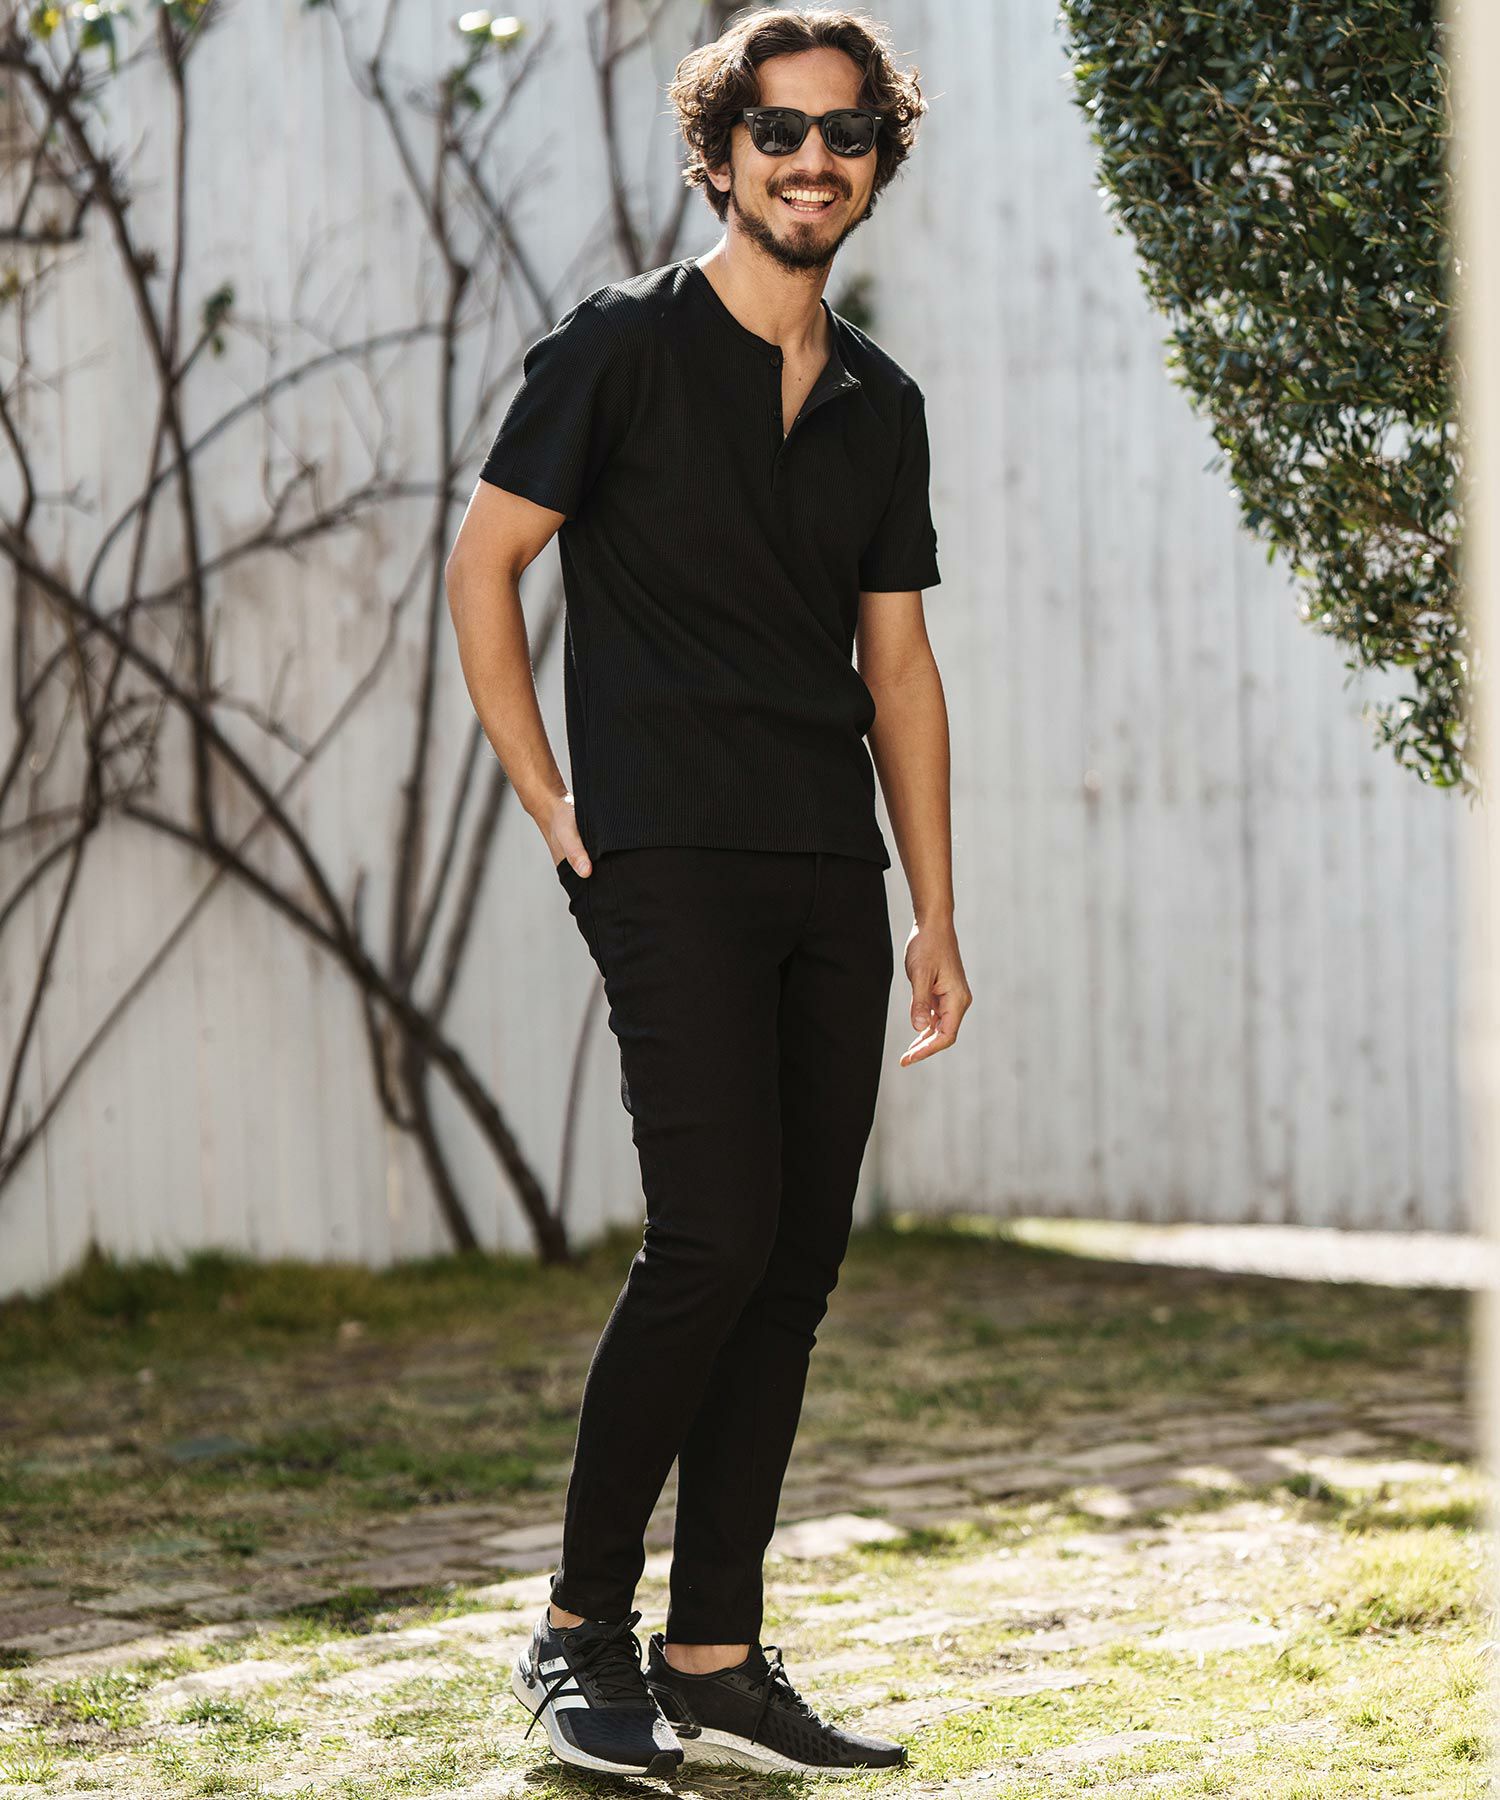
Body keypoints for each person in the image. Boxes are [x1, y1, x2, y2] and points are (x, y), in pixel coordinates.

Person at [445, 5, 971, 1779]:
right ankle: (576, 1629)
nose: (812, 159)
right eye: (779, 130)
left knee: (795, 1264)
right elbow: (486, 565)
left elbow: (899, 670)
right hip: (665, 853)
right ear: (721, 152)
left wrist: (936, 911)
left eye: (844, 131)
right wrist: (548, 794)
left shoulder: (882, 405)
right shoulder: (621, 348)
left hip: (830, 864)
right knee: (713, 1241)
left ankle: (715, 1654)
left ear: (877, 159)